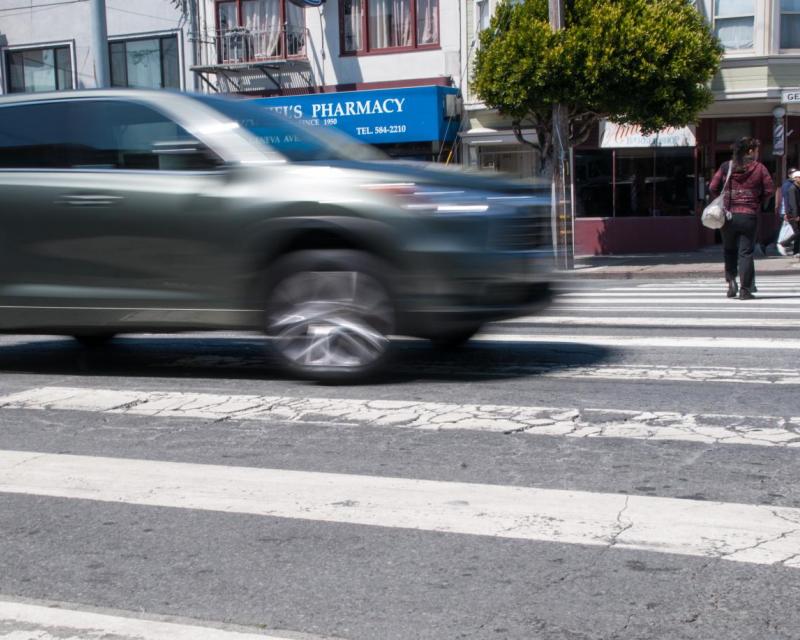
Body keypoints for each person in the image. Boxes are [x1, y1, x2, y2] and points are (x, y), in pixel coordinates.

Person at [709, 137, 774, 300]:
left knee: (729, 250)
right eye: (757, 150)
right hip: (748, 216)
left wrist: (724, 200)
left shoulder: (726, 166)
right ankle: (745, 290)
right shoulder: (759, 168)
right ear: (750, 151)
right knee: (746, 253)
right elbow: (769, 189)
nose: (758, 154)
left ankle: (731, 283)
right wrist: (756, 202)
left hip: (728, 216)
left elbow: (713, 186)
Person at [781, 170, 800, 257]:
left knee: (798, 232)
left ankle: (796, 251)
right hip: (793, 214)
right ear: (795, 178)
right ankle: (785, 243)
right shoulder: (792, 189)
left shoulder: (797, 188)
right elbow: (793, 203)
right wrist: (796, 216)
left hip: (796, 213)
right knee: (798, 232)